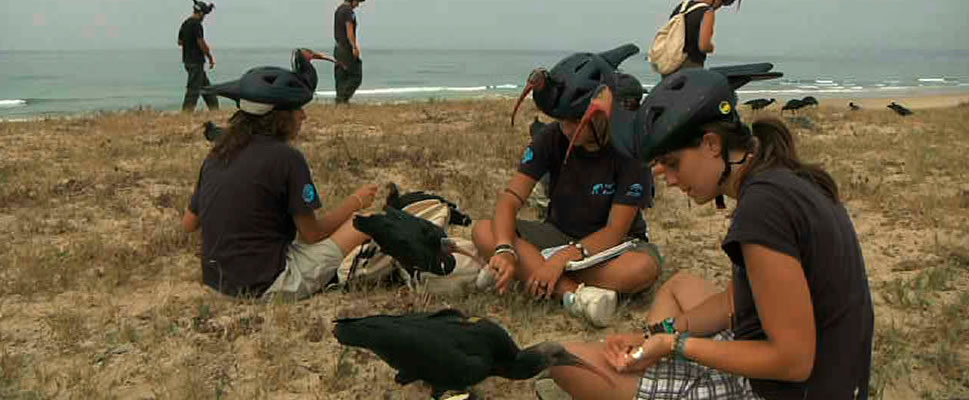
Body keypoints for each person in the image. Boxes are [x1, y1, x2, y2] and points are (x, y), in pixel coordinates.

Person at [540, 68, 874, 399]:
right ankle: (650, 376)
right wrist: (652, 335)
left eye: (673, 163)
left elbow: (793, 361)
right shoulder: (780, 176)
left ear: (712, 144)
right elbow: (734, 301)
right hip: (834, 377)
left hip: (785, 388)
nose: (669, 179)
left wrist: (677, 346)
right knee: (680, 285)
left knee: (565, 361)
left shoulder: (763, 211)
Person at [472, 45, 663, 328]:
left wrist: (560, 259)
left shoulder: (629, 151)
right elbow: (511, 198)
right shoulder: (552, 137)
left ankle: (532, 270)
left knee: (643, 269)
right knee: (484, 230)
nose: (567, 129)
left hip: (613, 246)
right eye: (562, 120)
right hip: (557, 234)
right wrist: (503, 249)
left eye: (576, 121)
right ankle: (571, 294)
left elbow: (614, 230)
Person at [181, 49, 379, 299]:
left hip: (217, 282)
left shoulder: (217, 154)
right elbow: (312, 235)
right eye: (298, 109)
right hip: (267, 284)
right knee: (369, 221)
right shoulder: (288, 158)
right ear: (280, 117)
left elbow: (189, 224)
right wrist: (356, 202)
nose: (304, 115)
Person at [673, 0, 740, 71]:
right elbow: (704, 46)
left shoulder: (681, 8)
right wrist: (711, 47)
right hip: (689, 67)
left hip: (670, 64)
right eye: (725, 2)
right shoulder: (707, 12)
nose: (720, 6)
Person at [178, 0, 219, 112]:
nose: (204, 17)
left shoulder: (185, 24)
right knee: (193, 90)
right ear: (200, 13)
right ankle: (186, 113)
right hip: (196, 61)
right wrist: (210, 57)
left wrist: (189, 43)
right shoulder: (196, 24)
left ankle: (215, 110)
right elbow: (201, 42)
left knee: (207, 88)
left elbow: (180, 42)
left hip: (187, 60)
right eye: (204, 14)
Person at [333, 0, 365, 104]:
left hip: (338, 47)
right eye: (358, 2)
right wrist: (354, 47)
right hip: (346, 48)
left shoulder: (339, 10)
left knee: (341, 75)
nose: (358, 4)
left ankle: (340, 99)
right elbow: (349, 30)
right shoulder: (348, 11)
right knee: (356, 75)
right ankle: (342, 98)